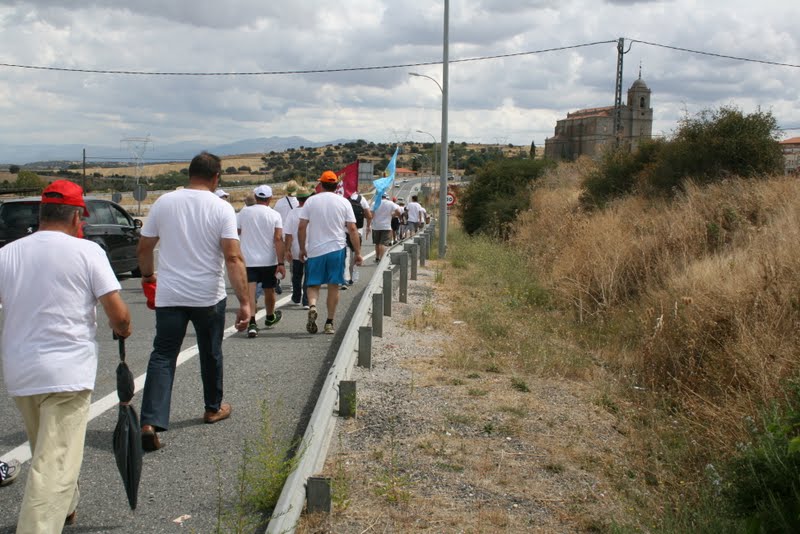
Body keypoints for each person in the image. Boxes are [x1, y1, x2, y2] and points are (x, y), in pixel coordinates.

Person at [0, 179, 131, 531]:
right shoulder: (87, 252)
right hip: (67, 370)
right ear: (76, 216)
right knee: (56, 460)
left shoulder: (8, 253)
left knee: (45, 446)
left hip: (21, 370)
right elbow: (118, 313)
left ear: (42, 213)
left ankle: (67, 505)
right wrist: (123, 328)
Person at [137, 152, 250, 452]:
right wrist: (245, 302)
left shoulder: (164, 202)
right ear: (216, 177)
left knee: (163, 355)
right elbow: (233, 257)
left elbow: (144, 247)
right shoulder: (221, 208)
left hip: (170, 295)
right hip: (207, 296)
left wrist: (148, 276)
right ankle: (213, 408)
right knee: (210, 352)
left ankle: (150, 422)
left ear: (189, 174)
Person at [298, 170, 363, 335]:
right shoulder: (344, 202)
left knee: (313, 285)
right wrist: (358, 252)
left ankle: (312, 306)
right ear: (336, 185)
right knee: (333, 286)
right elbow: (352, 228)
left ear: (321, 184)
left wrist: (302, 248)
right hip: (336, 249)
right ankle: (329, 322)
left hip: (315, 250)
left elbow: (302, 226)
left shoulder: (311, 201)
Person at [237, 184, 286, 337]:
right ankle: (270, 316)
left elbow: (237, 231)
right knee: (269, 290)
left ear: (256, 197)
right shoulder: (275, 215)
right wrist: (281, 263)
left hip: (248, 259)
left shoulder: (244, 212)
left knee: (250, 292)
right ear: (270, 198)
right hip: (268, 260)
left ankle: (252, 322)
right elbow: (278, 239)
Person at [283, 187, 313, 308]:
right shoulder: (312, 212)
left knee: (296, 275)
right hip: (312, 249)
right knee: (309, 275)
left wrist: (287, 250)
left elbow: (288, 234)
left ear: (297, 198)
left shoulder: (292, 213)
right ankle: (306, 301)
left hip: (296, 249)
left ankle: (296, 297)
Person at [272, 180, 300, 296]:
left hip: (281, 234)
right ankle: (293, 284)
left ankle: (277, 280)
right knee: (294, 261)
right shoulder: (298, 202)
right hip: (294, 235)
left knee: (280, 260)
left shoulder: (279, 203)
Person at [344, 191, 372, 287]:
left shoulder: (341, 197)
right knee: (354, 255)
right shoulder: (361, 199)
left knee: (344, 255)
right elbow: (369, 216)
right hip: (357, 232)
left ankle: (343, 278)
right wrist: (368, 226)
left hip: (342, 231)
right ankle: (351, 277)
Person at [370, 193, 402, 263]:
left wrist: (369, 224)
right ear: (386, 197)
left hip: (376, 226)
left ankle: (377, 258)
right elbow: (399, 212)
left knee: (377, 243)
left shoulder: (374, 203)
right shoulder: (390, 203)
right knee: (383, 244)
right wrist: (393, 215)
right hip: (386, 226)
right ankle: (382, 260)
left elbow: (371, 214)